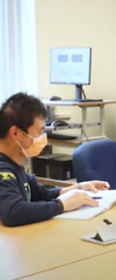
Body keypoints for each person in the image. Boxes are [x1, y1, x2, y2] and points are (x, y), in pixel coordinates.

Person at [0, 93, 110, 227]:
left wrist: (78, 188)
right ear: (15, 133)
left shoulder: (15, 165)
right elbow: (13, 212)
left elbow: (40, 194)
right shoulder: (3, 170)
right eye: (39, 132)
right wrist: (61, 205)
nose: (42, 138)